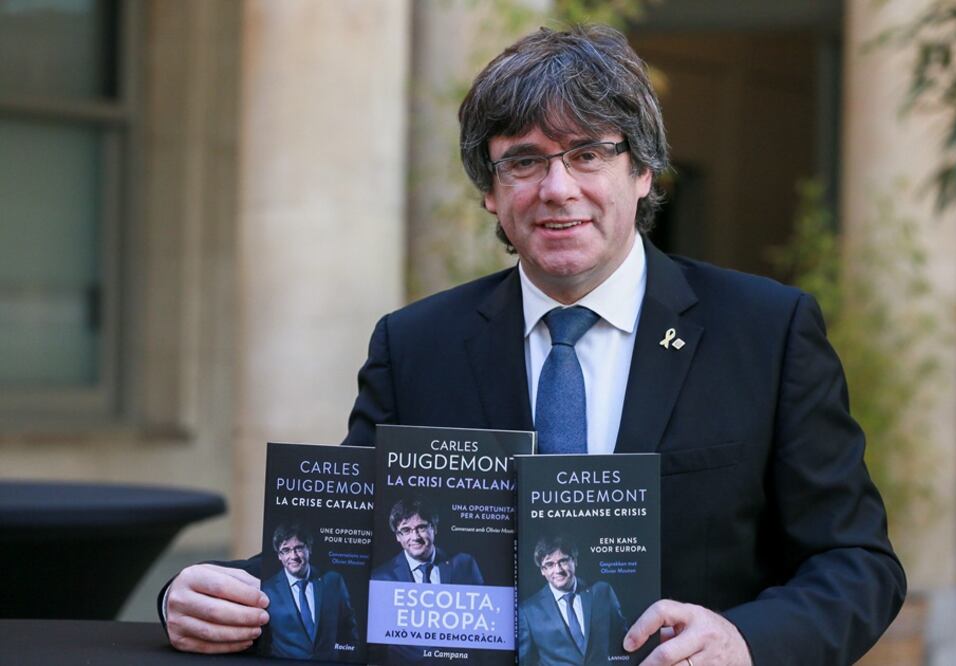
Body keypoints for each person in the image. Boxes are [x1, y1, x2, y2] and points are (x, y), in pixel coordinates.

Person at [161, 24, 905, 665]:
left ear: (641, 171)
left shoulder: (764, 332)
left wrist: (743, 643)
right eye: (523, 160)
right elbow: (344, 550)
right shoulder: (416, 344)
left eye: (588, 154)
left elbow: (856, 562)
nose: (557, 187)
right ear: (490, 189)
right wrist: (193, 593)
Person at [518, 535, 627, 666]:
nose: (558, 570)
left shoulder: (602, 592)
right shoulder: (528, 611)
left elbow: (622, 643)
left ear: (574, 561)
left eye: (563, 561)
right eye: (549, 564)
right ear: (543, 570)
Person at [261, 523, 359, 661]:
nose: (293, 556)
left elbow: (349, 629)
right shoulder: (267, 590)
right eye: (286, 550)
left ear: (309, 548)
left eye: (298, 548)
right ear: (279, 556)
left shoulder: (333, 581)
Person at [370, 496, 484, 584]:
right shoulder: (381, 577)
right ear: (397, 536)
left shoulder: (464, 565)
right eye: (406, 530)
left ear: (434, 528)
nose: (415, 537)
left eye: (421, 527)